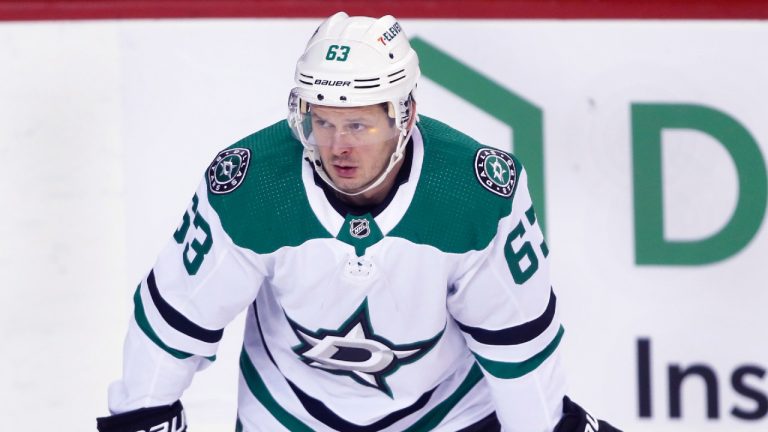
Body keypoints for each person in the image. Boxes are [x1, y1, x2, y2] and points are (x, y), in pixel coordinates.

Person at [97, 12, 620, 432]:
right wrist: (143, 417)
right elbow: (172, 325)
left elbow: (518, 353)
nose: (337, 146)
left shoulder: (473, 193)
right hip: (288, 412)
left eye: (357, 124)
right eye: (321, 121)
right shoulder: (252, 185)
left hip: (450, 415)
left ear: (404, 116)